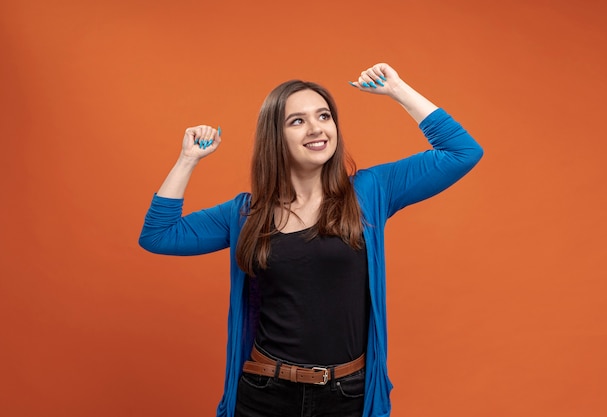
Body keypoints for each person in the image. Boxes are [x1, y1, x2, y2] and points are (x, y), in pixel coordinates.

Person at [139, 63, 483, 417]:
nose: (317, 128)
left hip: (347, 395)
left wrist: (397, 90)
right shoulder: (246, 214)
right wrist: (187, 159)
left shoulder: (369, 192)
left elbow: (462, 152)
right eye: (297, 121)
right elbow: (158, 236)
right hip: (265, 393)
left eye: (324, 116)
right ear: (276, 136)